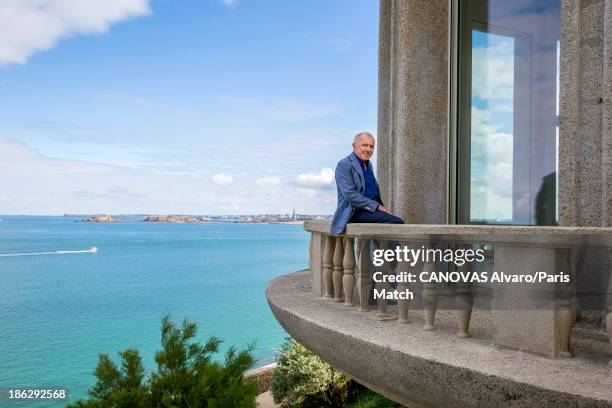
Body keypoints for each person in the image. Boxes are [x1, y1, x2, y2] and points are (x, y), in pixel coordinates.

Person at [330, 132, 405, 235]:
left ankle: (386, 251)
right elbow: (349, 195)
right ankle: (392, 251)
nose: (368, 149)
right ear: (354, 146)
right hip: (354, 211)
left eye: (371, 146)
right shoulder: (344, 164)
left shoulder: (368, 164)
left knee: (388, 227)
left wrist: (381, 208)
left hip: (370, 210)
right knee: (396, 222)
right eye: (364, 145)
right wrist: (377, 207)